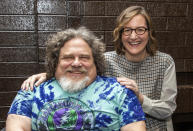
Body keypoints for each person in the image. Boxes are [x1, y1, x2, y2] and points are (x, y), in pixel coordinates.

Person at [21, 6, 177, 131]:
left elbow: (168, 110)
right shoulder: (106, 59)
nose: (133, 36)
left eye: (140, 29)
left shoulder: (165, 62)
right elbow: (79, 71)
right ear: (120, 34)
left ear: (149, 33)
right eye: (127, 30)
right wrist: (48, 75)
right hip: (118, 124)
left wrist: (141, 99)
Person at [6, 27, 146, 131]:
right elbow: (16, 126)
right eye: (68, 57)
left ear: (95, 62)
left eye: (84, 57)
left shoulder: (120, 91)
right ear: (56, 62)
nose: (76, 63)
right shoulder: (32, 89)